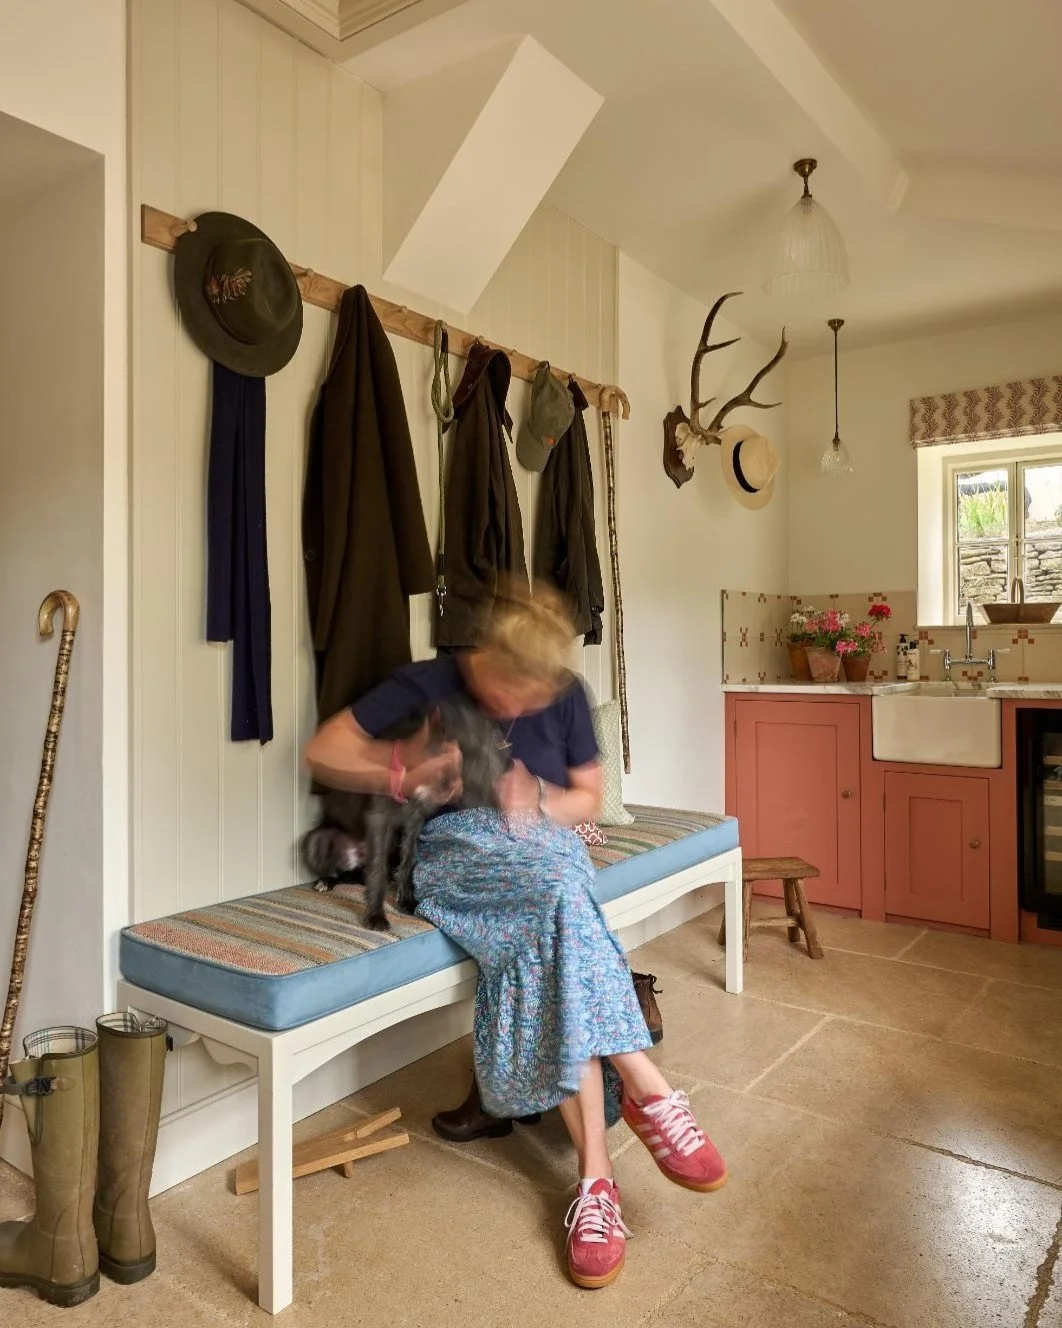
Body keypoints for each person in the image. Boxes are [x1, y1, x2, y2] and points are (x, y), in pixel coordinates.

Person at [303, 583, 727, 1289]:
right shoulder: (426, 682)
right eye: (506, 687)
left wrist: (538, 801)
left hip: (547, 847)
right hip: (458, 856)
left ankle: (597, 1182)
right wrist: (408, 769)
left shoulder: (564, 692)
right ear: (481, 656)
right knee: (564, 907)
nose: (517, 706)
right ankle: (648, 1087)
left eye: (534, 695)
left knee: (556, 906)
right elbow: (323, 751)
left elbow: (586, 799)